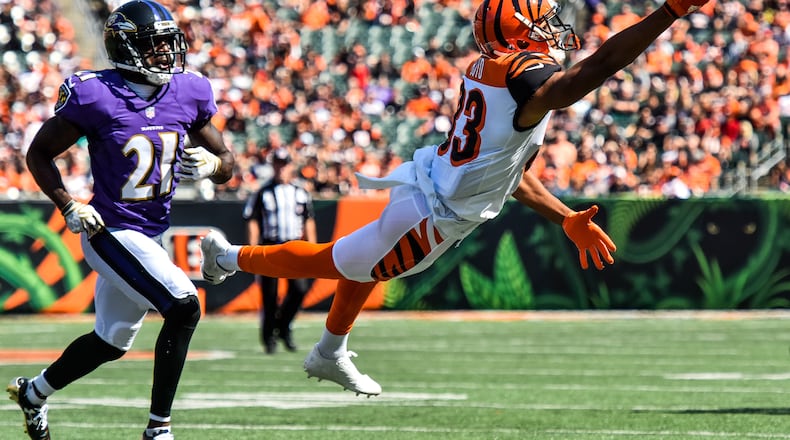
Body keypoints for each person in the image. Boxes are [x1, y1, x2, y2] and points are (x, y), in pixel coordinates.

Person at [200, 0, 707, 396]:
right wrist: (668, 13)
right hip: (435, 214)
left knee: (364, 262)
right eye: (543, 21)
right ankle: (226, 257)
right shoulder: (525, 75)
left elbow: (511, 175)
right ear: (521, 32)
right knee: (343, 262)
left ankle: (330, 349)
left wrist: (565, 216)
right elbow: (594, 70)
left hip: (429, 184)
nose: (553, 29)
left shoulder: (492, 69)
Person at [7, 1, 234, 439]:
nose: (166, 55)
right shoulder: (96, 94)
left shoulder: (189, 90)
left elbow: (226, 157)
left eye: (170, 44)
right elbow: (38, 152)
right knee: (185, 306)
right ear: (126, 48)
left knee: (110, 341)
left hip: (152, 232)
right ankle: (159, 430)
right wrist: (67, 204)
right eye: (154, 47)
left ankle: (33, 394)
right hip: (108, 228)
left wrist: (214, 166)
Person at [243, 148, 317, 354]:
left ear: (290, 166)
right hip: (270, 245)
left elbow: (308, 221)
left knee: (300, 289)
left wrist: (312, 249)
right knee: (270, 295)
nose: (281, 168)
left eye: (284, 164)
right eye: (277, 164)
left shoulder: (300, 192)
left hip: (294, 246)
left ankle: (283, 326)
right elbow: (253, 220)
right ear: (273, 165)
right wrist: (252, 251)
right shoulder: (263, 192)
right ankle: (269, 338)